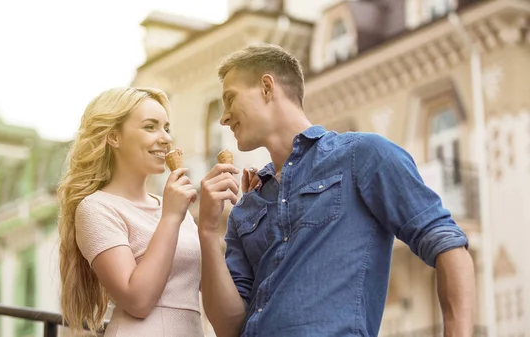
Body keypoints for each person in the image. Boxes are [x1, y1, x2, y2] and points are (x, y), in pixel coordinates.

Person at [198, 44, 476, 337]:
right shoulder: (248, 205)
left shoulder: (362, 155)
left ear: (267, 87)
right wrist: (207, 229)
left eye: (230, 99)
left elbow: (449, 247)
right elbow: (228, 327)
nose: (224, 117)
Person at [57, 87, 203, 336]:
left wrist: (209, 224)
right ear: (114, 137)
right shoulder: (96, 208)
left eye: (166, 128)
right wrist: (169, 217)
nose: (166, 138)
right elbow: (137, 300)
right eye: (150, 127)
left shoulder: (175, 207)